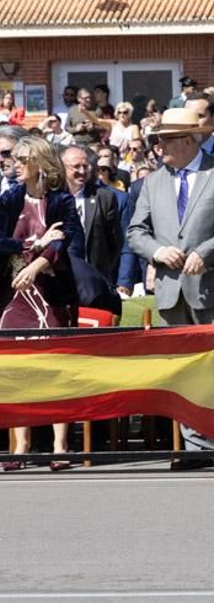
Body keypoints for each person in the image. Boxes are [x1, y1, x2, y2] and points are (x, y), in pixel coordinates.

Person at [125, 107, 214, 467]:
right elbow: (136, 232)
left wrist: (206, 252)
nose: (159, 147)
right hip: (173, 291)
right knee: (187, 371)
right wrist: (157, 251)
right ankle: (198, 446)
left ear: (189, 139)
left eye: (166, 139)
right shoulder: (153, 182)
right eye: (157, 140)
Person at [0, 138, 82, 471]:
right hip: (13, 293)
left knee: (53, 366)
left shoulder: (61, 200)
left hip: (50, 290)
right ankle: (21, 443)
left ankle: (60, 445)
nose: (14, 163)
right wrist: (31, 242)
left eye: (22, 158)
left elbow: (66, 237)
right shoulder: (10, 198)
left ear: (39, 163)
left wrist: (38, 263)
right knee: (16, 368)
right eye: (14, 158)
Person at [60, 143, 124, 290]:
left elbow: (114, 242)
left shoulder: (104, 197)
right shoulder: (51, 196)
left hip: (94, 280)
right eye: (76, 166)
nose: (82, 171)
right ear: (61, 167)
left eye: (86, 166)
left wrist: (101, 269)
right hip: (59, 279)